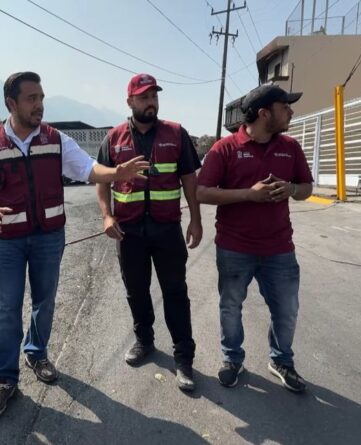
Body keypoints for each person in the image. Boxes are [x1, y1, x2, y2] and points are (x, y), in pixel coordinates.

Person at [0, 71, 149, 420]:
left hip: (48, 237)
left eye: (41, 97)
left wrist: (117, 174)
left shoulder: (55, 139)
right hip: (7, 241)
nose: (39, 105)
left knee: (45, 300)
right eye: (31, 99)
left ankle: (37, 353)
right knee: (6, 308)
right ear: (11, 103)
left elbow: (88, 169)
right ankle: (5, 379)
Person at [196, 84, 313, 393]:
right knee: (231, 306)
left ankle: (281, 361)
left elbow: (306, 188)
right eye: (284, 107)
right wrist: (249, 194)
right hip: (235, 248)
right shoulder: (225, 148)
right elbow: (202, 192)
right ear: (264, 113)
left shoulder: (291, 147)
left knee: (286, 309)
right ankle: (232, 359)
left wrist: (291, 189)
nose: (290, 111)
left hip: (280, 248)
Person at [95, 73, 202, 391]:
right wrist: (106, 216)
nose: (150, 101)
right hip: (128, 232)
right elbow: (102, 181)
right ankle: (144, 340)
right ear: (130, 101)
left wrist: (196, 220)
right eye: (143, 97)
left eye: (154, 95)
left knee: (175, 293)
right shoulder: (113, 138)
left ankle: (183, 357)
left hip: (167, 229)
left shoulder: (176, 133)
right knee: (136, 291)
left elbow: (189, 179)